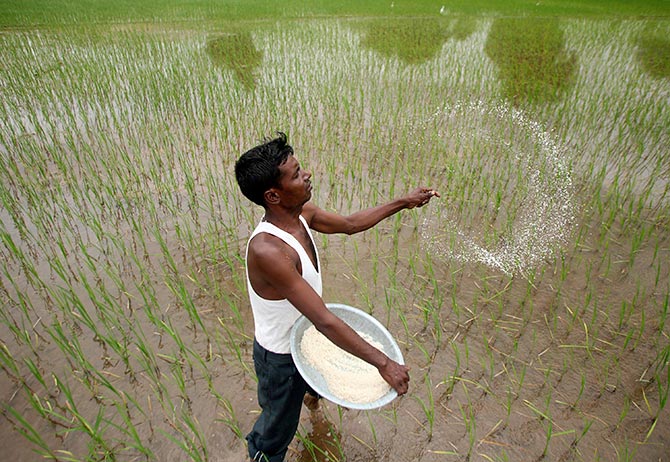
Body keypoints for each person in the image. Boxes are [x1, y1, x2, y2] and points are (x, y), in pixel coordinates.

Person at [234, 132, 439, 462]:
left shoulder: (302, 214)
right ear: (273, 195)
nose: (307, 175)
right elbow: (324, 319)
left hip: (309, 339)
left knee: (314, 392)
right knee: (275, 434)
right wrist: (384, 364)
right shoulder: (269, 250)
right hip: (281, 359)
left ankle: (313, 405)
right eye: (297, 173)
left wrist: (404, 202)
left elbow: (350, 224)